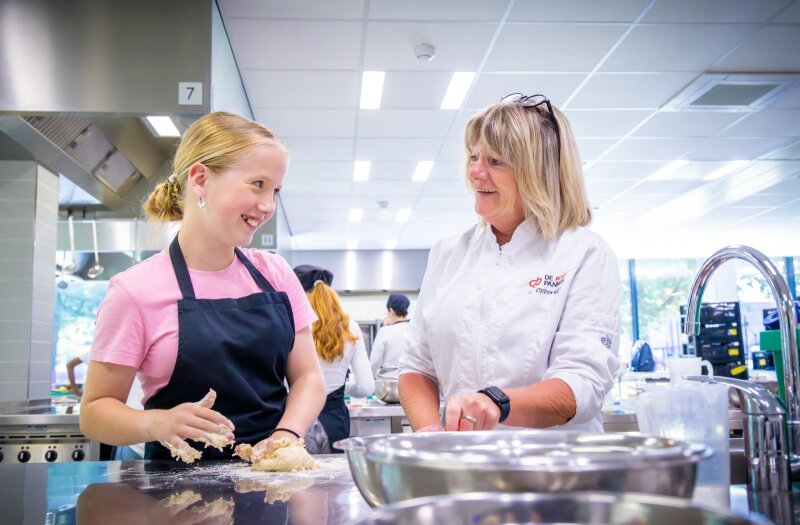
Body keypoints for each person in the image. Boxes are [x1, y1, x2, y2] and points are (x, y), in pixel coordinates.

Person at [79, 111, 326, 461]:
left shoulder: (276, 274)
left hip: (270, 481)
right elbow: (94, 413)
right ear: (200, 179)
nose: (268, 205)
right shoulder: (134, 291)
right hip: (174, 498)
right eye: (257, 184)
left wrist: (285, 435)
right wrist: (157, 423)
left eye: (275, 191)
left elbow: (309, 377)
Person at [398, 93, 620, 434]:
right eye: (473, 157)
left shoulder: (583, 253)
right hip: (464, 466)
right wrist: (430, 434)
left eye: (495, 161)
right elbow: (417, 367)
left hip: (553, 472)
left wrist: (495, 403)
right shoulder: (447, 254)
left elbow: (583, 382)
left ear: (537, 171)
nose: (474, 172)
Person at [293, 264, 374, 453]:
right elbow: (366, 387)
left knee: (297, 478)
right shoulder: (351, 327)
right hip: (334, 420)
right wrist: (342, 387)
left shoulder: (293, 324)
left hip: (296, 419)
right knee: (334, 480)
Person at [369, 293, 411, 372]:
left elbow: (374, 364)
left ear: (391, 311)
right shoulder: (413, 330)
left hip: (389, 381)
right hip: (409, 380)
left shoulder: (385, 331)